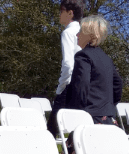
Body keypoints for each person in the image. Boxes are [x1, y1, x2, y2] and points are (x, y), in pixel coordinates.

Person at [65, 14, 122, 124]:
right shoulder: (106, 58)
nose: (77, 35)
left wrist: (76, 111)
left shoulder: (83, 56)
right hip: (108, 117)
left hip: (89, 117)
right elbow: (118, 84)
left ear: (88, 35)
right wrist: (108, 105)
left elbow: (81, 86)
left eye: (80, 31)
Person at [46, 0, 83, 138]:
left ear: (70, 13)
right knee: (76, 128)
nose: (59, 14)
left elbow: (68, 64)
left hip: (68, 86)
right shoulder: (84, 33)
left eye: (61, 11)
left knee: (52, 128)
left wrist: (60, 88)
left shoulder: (68, 32)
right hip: (82, 86)